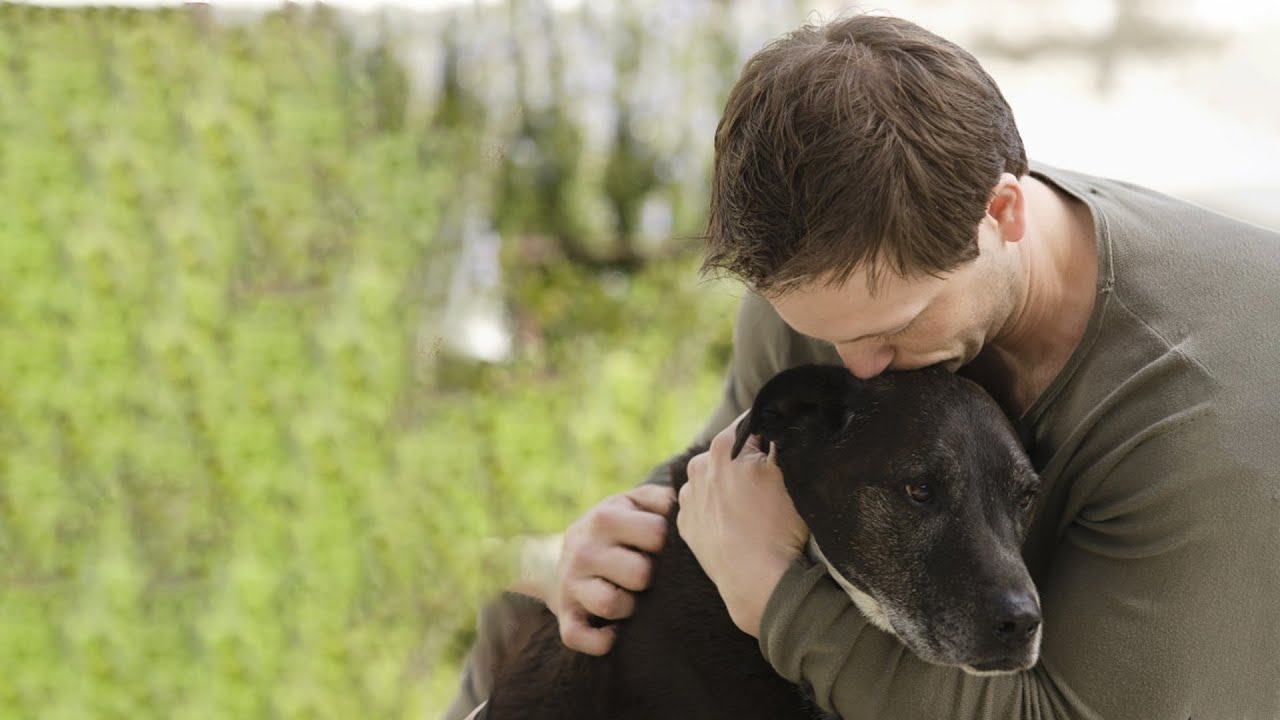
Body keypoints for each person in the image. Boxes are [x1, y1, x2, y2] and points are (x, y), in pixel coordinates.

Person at [445, 13, 1280, 720]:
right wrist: (588, 553)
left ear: (1003, 211)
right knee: (516, 619)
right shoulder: (842, 301)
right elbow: (716, 522)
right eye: (822, 332)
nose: (860, 363)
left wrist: (776, 599)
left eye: (899, 326)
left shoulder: (1205, 409)